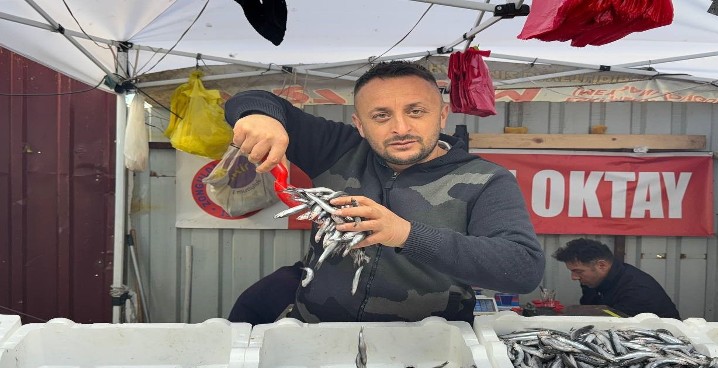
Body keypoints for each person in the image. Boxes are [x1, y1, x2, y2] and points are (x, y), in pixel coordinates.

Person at [224, 61, 545, 324]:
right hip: (320, 335)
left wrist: (404, 234)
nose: (401, 128)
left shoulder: (486, 179)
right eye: (381, 115)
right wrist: (260, 118)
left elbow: (523, 269)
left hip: (430, 346)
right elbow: (251, 98)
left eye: (416, 111)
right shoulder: (338, 149)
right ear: (360, 124)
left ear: (442, 115)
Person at [552, 238, 680, 319]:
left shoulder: (637, 291)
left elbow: (614, 326)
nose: (574, 277)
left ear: (601, 265)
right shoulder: (592, 281)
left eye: (578, 271)